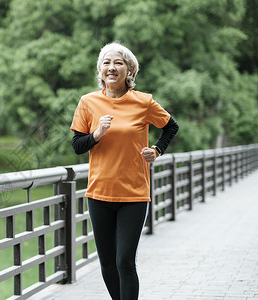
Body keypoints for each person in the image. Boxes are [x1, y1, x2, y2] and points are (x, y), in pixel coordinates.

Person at [70, 42, 179, 300]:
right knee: (107, 264)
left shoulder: (144, 102)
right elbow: (77, 145)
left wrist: (157, 150)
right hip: (99, 194)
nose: (112, 67)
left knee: (125, 262)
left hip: (134, 194)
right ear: (100, 69)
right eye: (107, 62)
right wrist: (97, 134)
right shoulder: (88, 102)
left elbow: (171, 127)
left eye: (118, 62)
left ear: (130, 70)